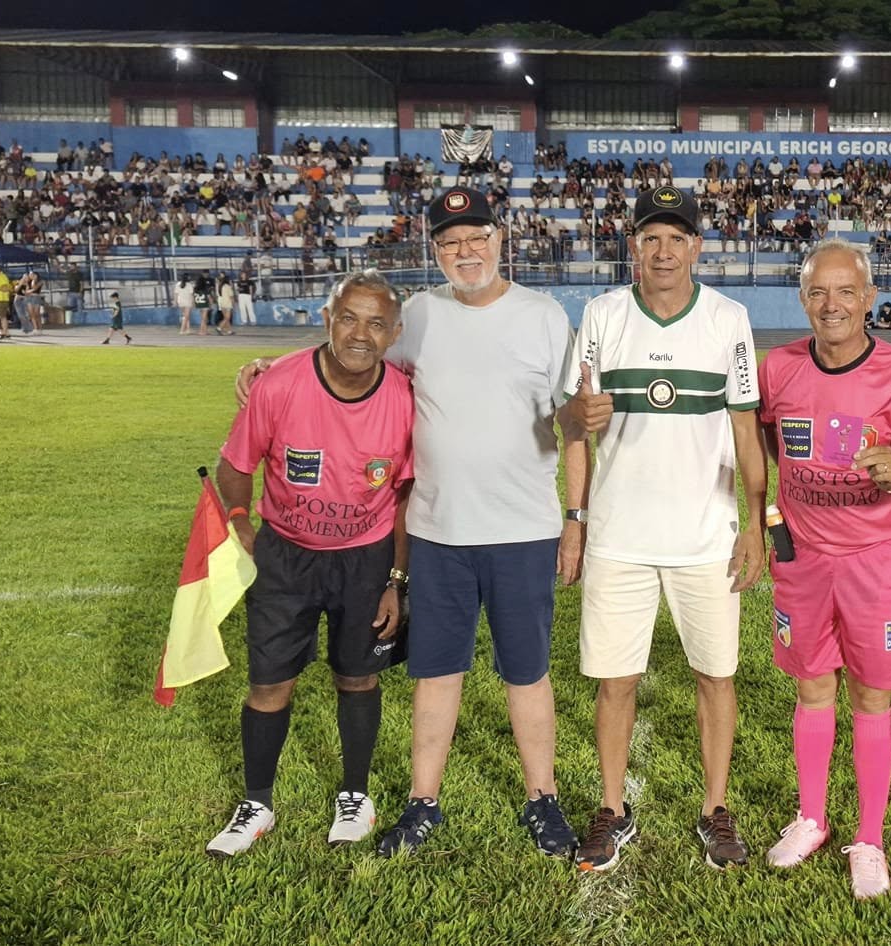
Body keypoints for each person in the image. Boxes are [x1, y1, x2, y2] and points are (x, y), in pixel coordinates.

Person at [237, 187, 582, 859]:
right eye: (450, 242)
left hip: (523, 529)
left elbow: (572, 423)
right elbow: (356, 348)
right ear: (437, 251)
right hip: (437, 531)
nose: (465, 251)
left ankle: (543, 800)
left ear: (500, 239)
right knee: (436, 672)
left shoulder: (543, 316)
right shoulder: (419, 314)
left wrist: (574, 519)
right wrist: (273, 367)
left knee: (526, 672)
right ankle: (423, 803)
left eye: (476, 237)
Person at [560, 185, 768, 872]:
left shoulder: (729, 319)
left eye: (678, 238)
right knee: (615, 681)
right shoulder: (601, 314)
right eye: (652, 237)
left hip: (707, 537)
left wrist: (756, 524)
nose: (664, 250)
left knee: (716, 675)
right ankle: (612, 807)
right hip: (618, 535)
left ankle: (716, 809)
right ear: (634, 245)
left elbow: (746, 430)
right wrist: (575, 520)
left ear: (697, 247)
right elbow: (573, 426)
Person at [756, 240, 891, 899]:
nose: (831, 304)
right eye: (817, 292)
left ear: (869, 299)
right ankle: (811, 818)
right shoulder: (778, 367)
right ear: (802, 299)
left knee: (870, 695)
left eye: (845, 292)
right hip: (803, 561)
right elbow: (764, 439)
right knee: (812, 687)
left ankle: (869, 838)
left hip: (874, 563)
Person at [205, 270, 415, 857]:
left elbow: (405, 494)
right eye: (348, 318)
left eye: (376, 323)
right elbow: (235, 463)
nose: (360, 334)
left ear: (394, 334)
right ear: (327, 319)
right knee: (269, 684)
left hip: (366, 558)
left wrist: (396, 580)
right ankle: (257, 803)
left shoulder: (403, 397)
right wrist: (241, 521)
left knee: (358, 676)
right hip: (286, 556)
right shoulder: (279, 383)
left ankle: (355, 796)